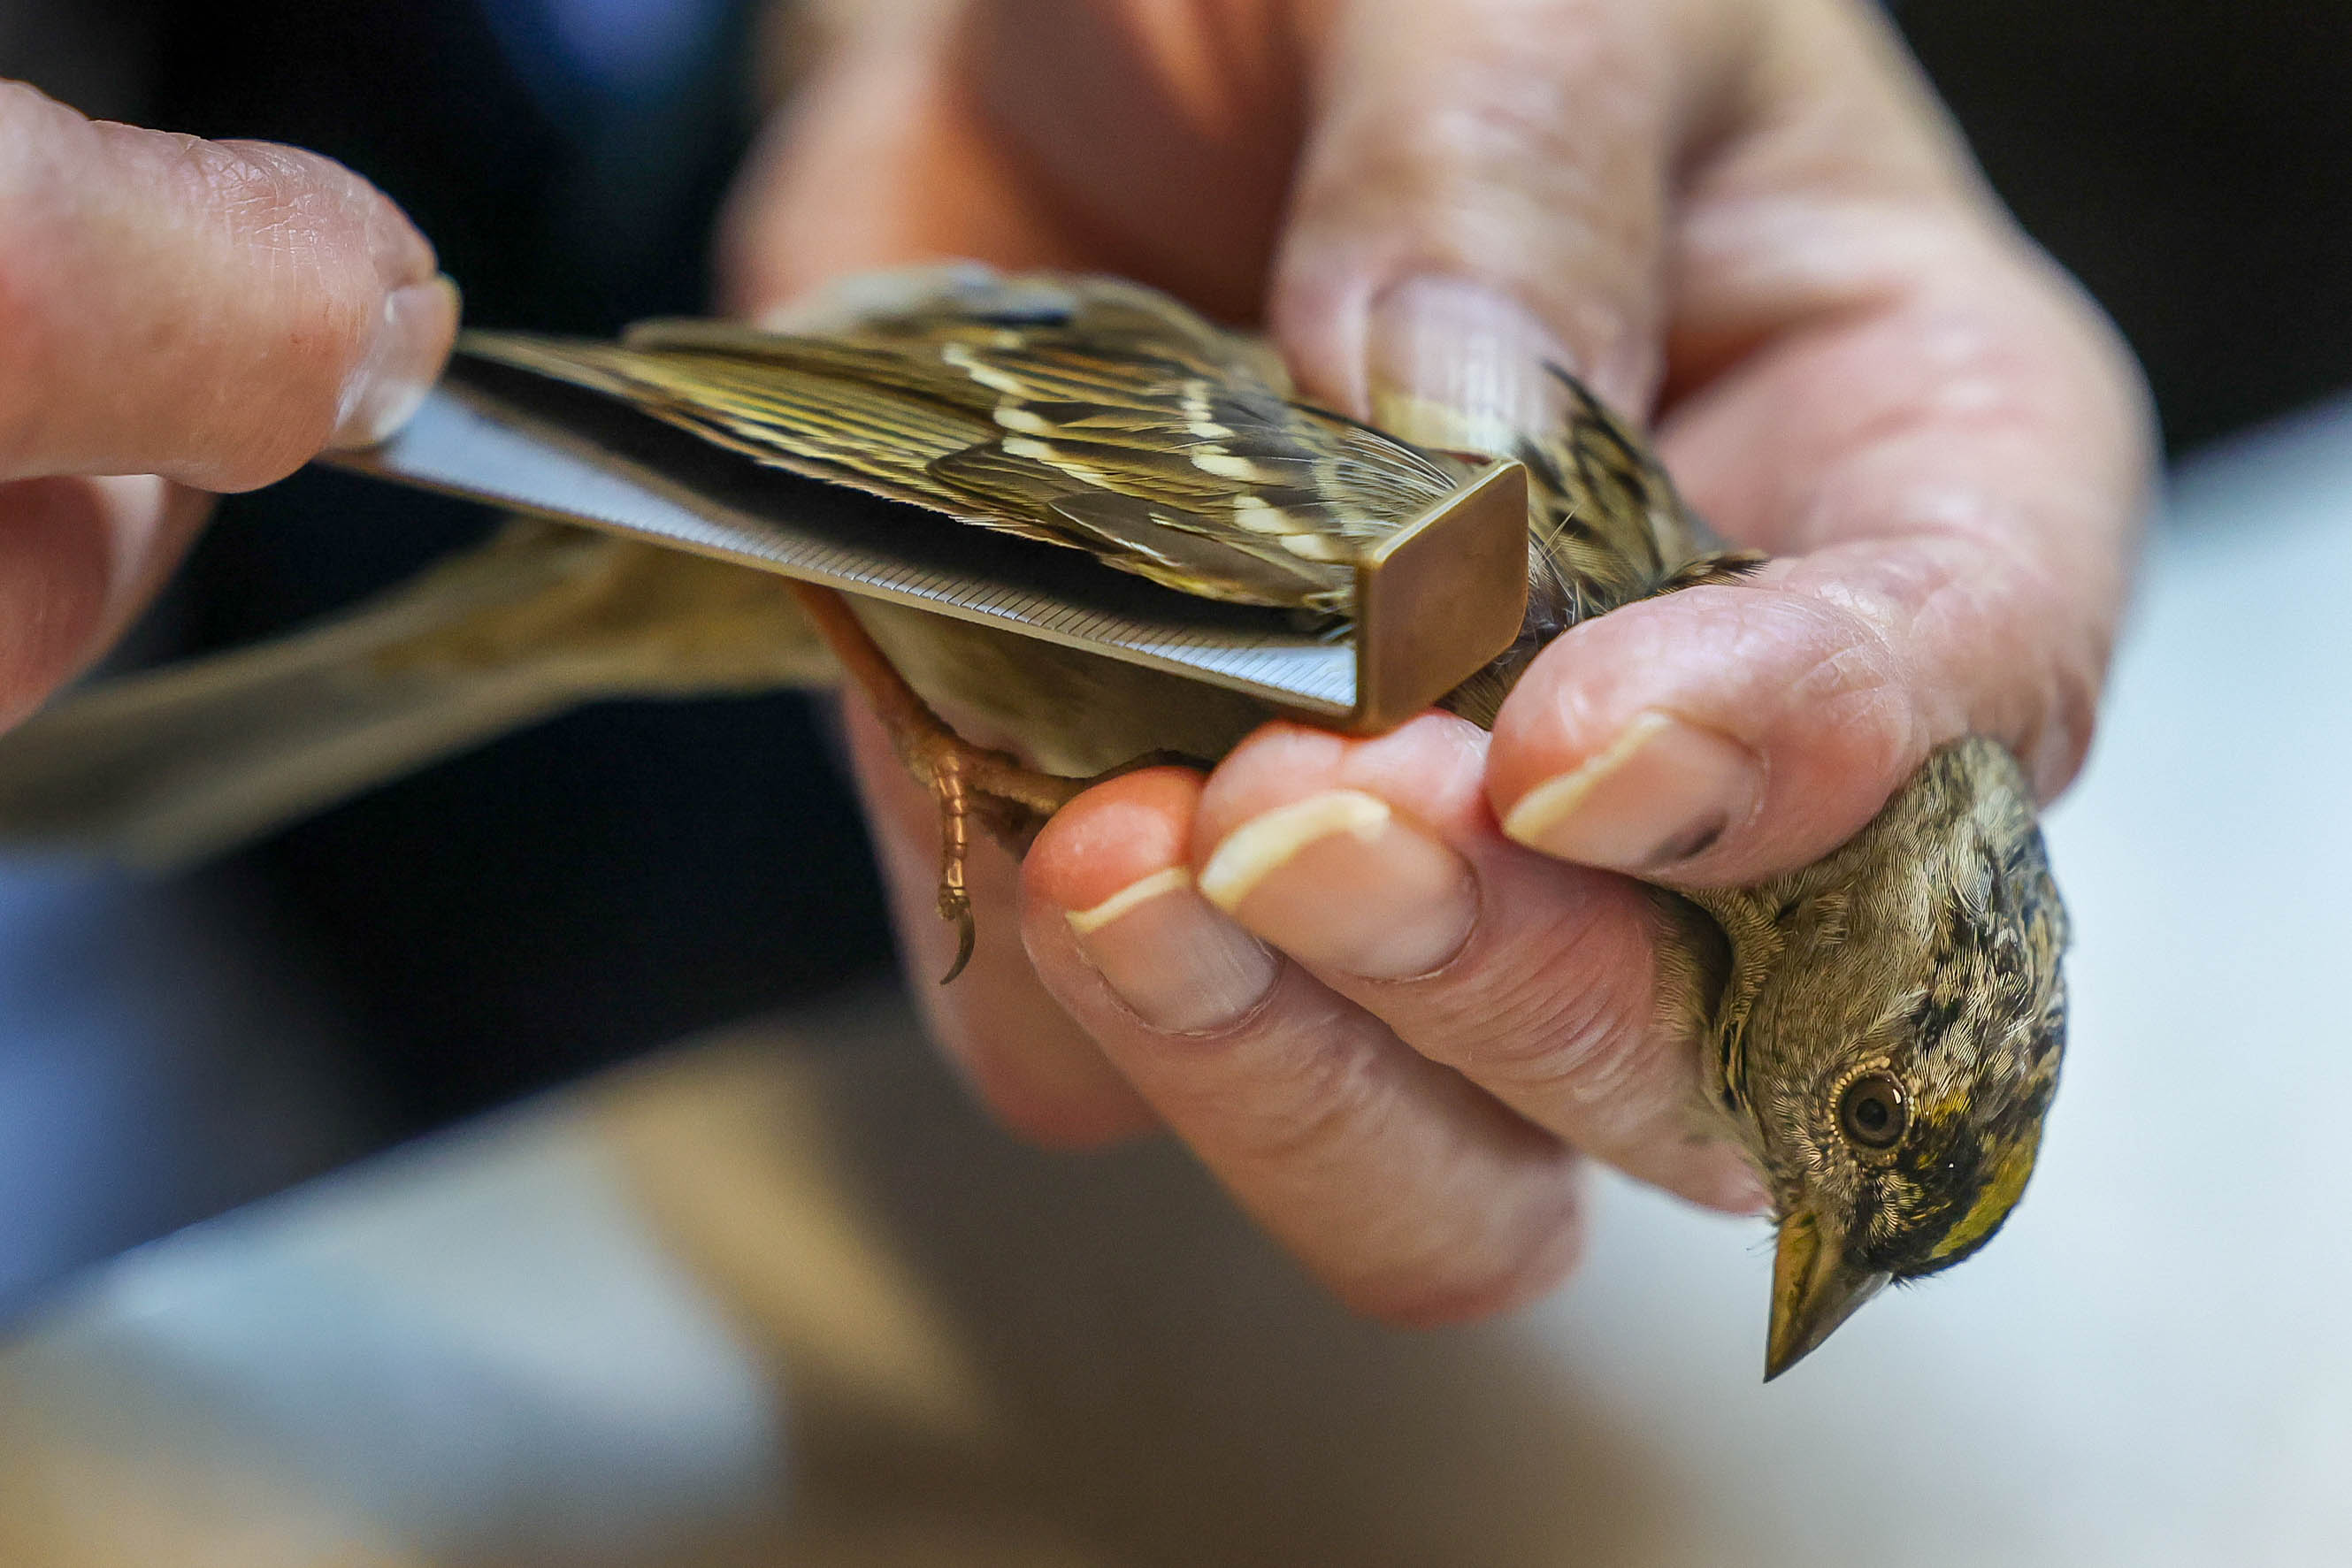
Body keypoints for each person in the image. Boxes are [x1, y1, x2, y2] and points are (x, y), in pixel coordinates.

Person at [0, 0, 2151, 1326]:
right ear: (1852, 967)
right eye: (1849, 1125)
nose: (1785, 1217)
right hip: (847, 447)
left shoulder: (1666, 747)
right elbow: (971, 427)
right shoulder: (1550, 655)